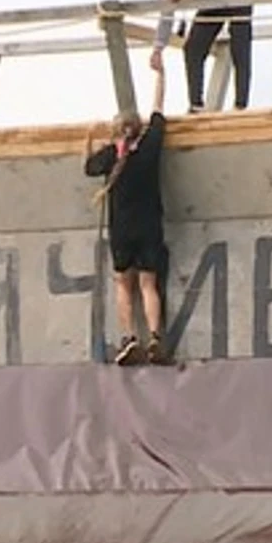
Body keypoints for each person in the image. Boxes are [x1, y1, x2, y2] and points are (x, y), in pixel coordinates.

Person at [85, 64, 173, 366]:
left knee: (124, 284)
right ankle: (155, 338)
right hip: (150, 227)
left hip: (121, 229)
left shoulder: (111, 155)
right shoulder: (150, 146)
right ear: (140, 128)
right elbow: (159, 109)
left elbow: (88, 167)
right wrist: (160, 75)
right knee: (149, 284)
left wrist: (89, 139)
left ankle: (129, 338)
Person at [136, 0, 254, 114]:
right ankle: (196, 106)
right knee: (193, 48)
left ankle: (240, 104)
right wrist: (158, 49)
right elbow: (166, 14)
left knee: (240, 45)